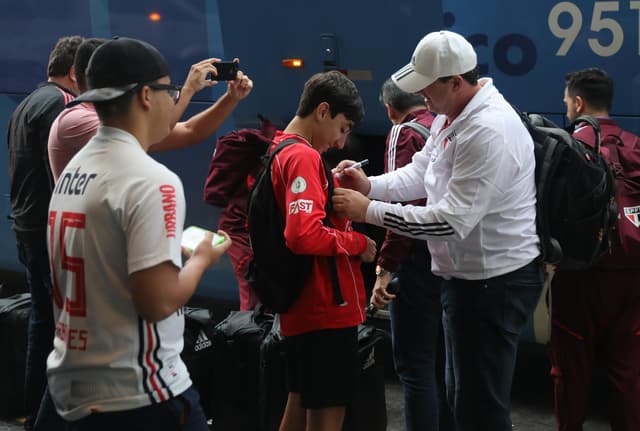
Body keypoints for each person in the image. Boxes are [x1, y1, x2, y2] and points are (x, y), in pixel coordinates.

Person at [332, 30, 543, 431]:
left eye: (426, 87)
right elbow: (420, 173)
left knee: (479, 409)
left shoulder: (487, 130)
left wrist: (369, 210)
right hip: (469, 281)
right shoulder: (452, 116)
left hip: (493, 285)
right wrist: (369, 185)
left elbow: (449, 221)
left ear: (455, 82)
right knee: (460, 397)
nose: (420, 96)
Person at [45, 36, 232, 430]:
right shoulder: (150, 180)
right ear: (147, 95)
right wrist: (201, 256)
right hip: (140, 393)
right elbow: (158, 302)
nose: (174, 100)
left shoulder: (76, 169)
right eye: (171, 91)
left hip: (78, 386)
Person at [268, 70, 376, 431]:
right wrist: (358, 242)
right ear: (323, 111)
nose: (342, 142)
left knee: (299, 404)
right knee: (327, 413)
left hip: (303, 305)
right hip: (326, 306)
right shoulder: (303, 157)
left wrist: (328, 186)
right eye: (343, 128)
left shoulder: (280, 149)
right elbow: (303, 235)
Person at [550, 67, 640, 431]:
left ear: (578, 102)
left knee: (570, 374)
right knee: (629, 375)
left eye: (566, 103)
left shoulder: (568, 147)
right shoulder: (635, 144)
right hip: (634, 278)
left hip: (580, 277)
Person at [6, 35, 84, 431]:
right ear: (74, 72)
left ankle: (33, 409)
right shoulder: (63, 107)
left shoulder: (27, 104)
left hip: (25, 226)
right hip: (48, 233)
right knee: (64, 330)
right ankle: (46, 416)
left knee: (43, 324)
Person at [48, 38, 254, 181]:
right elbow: (161, 129)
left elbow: (191, 131)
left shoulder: (108, 120)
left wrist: (231, 98)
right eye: (162, 90)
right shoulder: (75, 119)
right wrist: (188, 90)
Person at [371, 78, 452, 431]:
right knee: (443, 364)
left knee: (414, 366)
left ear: (390, 110)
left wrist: (384, 269)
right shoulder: (441, 125)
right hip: (446, 259)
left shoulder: (403, 133)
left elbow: (399, 206)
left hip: (415, 263)